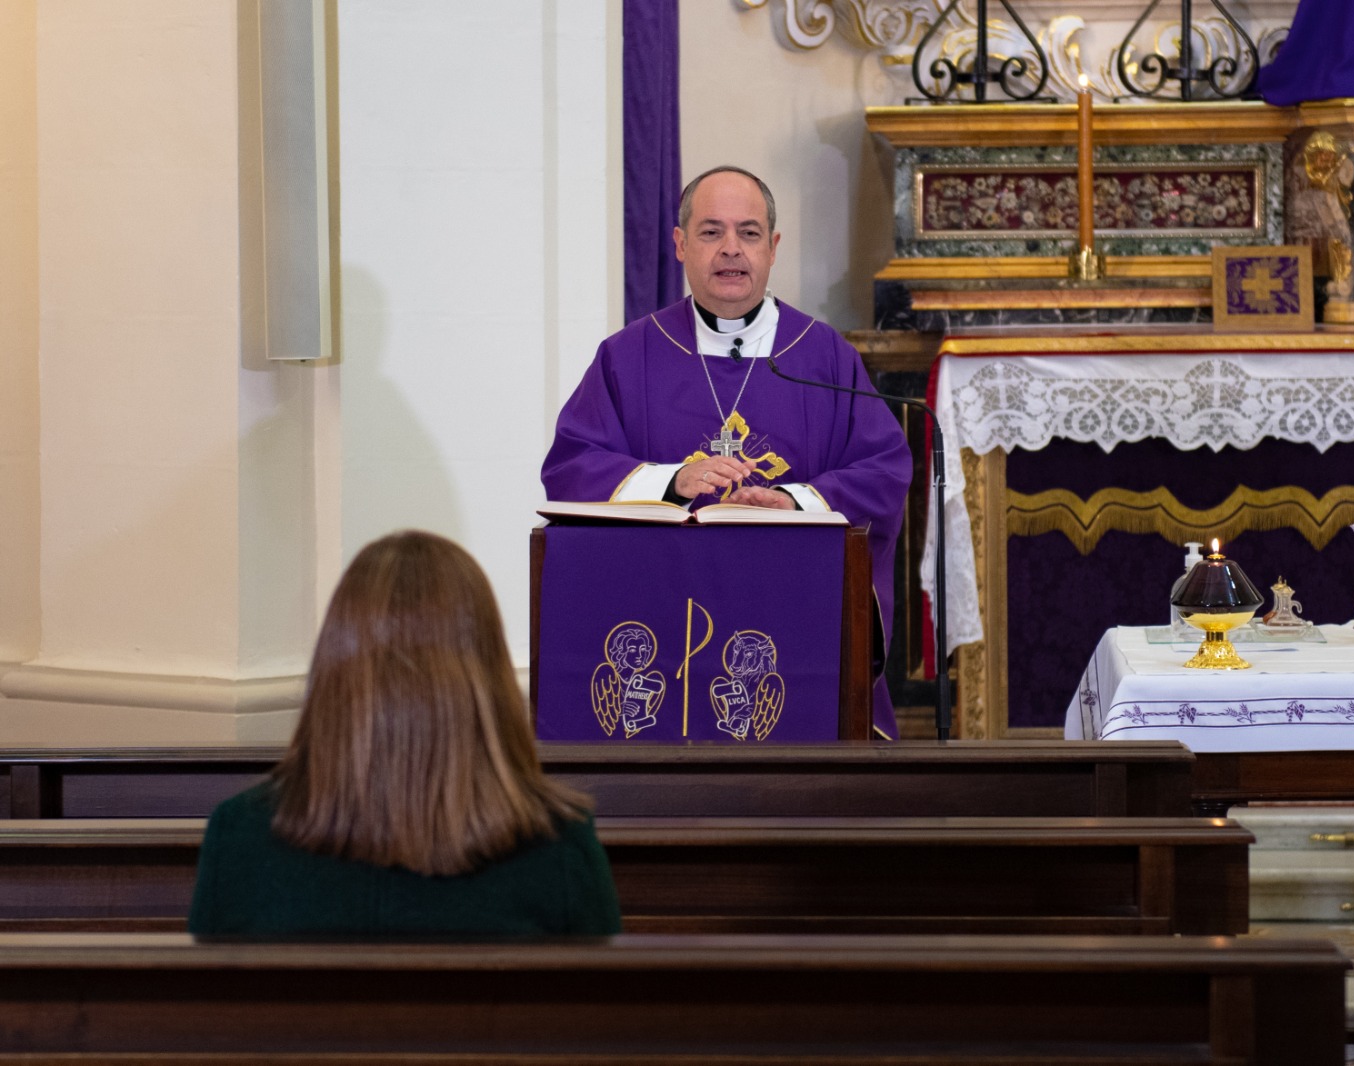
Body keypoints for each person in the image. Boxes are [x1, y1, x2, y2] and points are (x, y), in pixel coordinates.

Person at [541, 166, 913, 738]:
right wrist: (672, 481)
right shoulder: (628, 356)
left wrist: (795, 499)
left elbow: (885, 469)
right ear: (680, 244)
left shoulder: (821, 356)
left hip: (794, 611)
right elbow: (570, 465)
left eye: (750, 232)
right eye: (712, 232)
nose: (732, 250)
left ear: (773, 248)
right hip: (661, 612)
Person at [188, 531, 621, 937]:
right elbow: (608, 1015)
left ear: (335, 666)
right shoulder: (557, 845)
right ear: (488, 674)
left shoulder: (240, 836)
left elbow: (204, 1011)